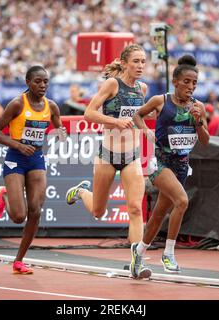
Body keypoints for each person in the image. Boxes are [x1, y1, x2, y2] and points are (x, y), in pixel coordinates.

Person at [65, 44, 150, 275]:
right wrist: (115, 122)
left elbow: (139, 115)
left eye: (143, 61)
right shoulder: (112, 84)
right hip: (107, 155)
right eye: (136, 61)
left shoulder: (143, 88)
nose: (140, 66)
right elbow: (89, 113)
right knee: (98, 212)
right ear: (124, 63)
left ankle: (137, 262)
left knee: (135, 209)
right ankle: (82, 191)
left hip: (132, 156)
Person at [130, 55, 210, 277]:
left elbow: (205, 141)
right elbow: (138, 115)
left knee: (158, 215)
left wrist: (198, 122)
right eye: (186, 82)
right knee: (182, 201)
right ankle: (169, 254)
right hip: (161, 163)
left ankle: (139, 250)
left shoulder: (198, 107)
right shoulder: (160, 101)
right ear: (175, 81)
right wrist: (145, 130)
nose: (191, 87)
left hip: (181, 167)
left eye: (194, 83)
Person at [0, 65, 66, 274]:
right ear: (28, 83)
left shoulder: (52, 106)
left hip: (36, 159)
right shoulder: (16, 104)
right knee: (18, 216)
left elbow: (59, 129)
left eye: (45, 82)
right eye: (37, 81)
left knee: (35, 211)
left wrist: (61, 134)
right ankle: (3, 196)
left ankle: (19, 260)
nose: (42, 85)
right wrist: (17, 145)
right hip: (16, 158)